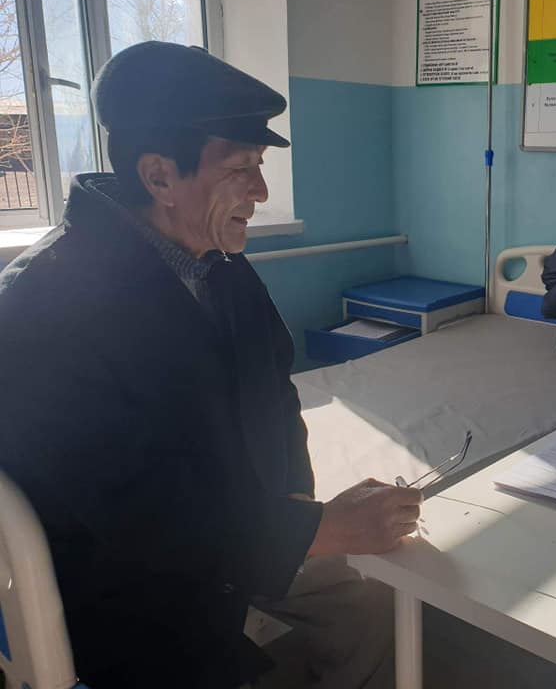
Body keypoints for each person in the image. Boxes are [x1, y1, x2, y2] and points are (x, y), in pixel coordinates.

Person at [0, 42, 420, 688]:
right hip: (132, 589)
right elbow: (130, 520)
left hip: (239, 534)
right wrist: (313, 530)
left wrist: (297, 501)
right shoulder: (42, 309)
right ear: (159, 177)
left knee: (365, 605)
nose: (261, 191)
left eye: (259, 166)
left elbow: (275, 395)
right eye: (240, 169)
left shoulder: (220, 265)